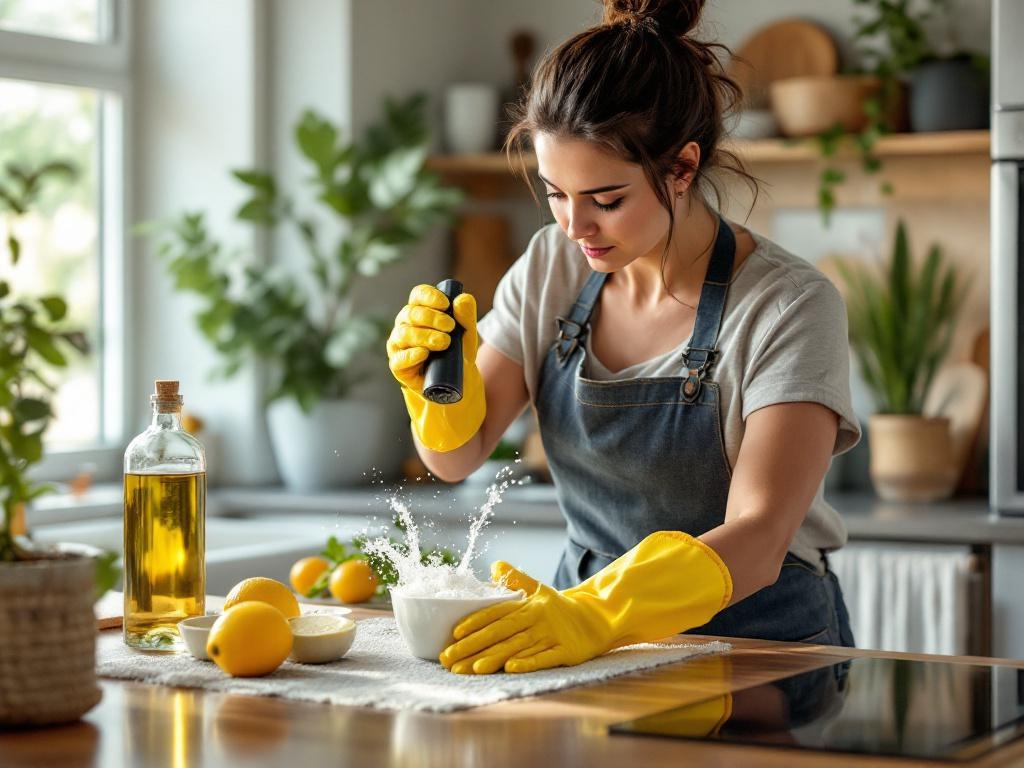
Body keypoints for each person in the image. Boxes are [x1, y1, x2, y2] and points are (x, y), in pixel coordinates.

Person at [386, 0, 860, 675]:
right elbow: (456, 458)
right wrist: (429, 387)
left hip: (760, 649)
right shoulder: (552, 266)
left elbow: (758, 542)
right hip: (582, 634)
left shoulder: (786, 305)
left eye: (605, 200)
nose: (576, 227)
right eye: (555, 194)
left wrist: (598, 613)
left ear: (683, 167)